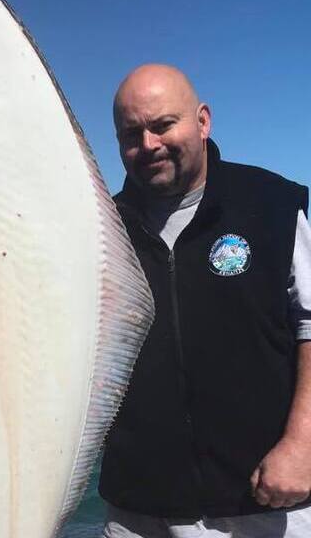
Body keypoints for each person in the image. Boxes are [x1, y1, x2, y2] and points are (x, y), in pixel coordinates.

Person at [99, 64, 311, 537]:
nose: (148, 144)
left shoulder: (271, 203)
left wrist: (304, 444)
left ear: (202, 121)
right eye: (131, 133)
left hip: (263, 501)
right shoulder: (103, 229)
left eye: (162, 125)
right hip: (138, 509)